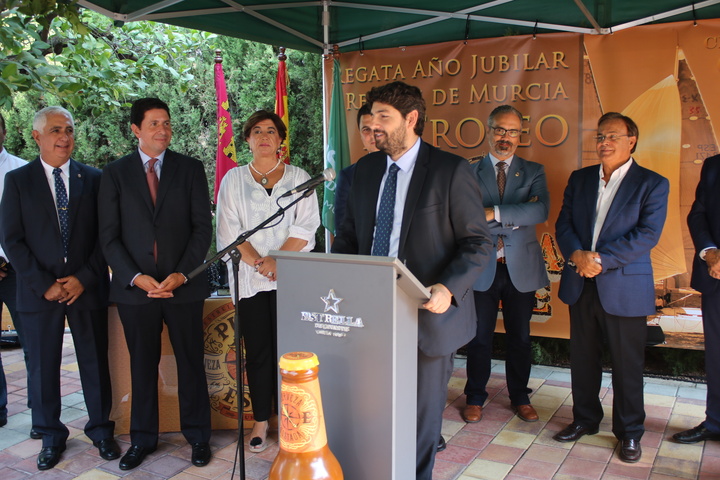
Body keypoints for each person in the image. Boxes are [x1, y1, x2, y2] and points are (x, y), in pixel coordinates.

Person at [332, 81, 492, 480]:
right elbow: (350, 236)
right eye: (371, 118)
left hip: (427, 312)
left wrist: (448, 288)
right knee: (371, 406)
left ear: (412, 119)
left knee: (421, 416)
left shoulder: (449, 170)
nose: (375, 126)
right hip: (369, 312)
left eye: (384, 117)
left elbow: (477, 243)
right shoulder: (364, 171)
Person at [98, 98, 213, 470]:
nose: (163, 130)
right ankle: (142, 440)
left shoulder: (190, 169)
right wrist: (135, 276)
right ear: (136, 129)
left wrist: (182, 274)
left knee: (191, 363)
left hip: (183, 287)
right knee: (142, 366)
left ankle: (198, 435)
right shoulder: (114, 173)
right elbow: (109, 236)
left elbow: (202, 229)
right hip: (137, 290)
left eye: (166, 122)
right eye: (154, 124)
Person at [0, 106, 117, 470]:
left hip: (87, 289)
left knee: (95, 364)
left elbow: (106, 238)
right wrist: (44, 284)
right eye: (54, 130)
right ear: (37, 136)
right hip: (39, 293)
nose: (63, 137)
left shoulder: (94, 179)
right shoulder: (18, 181)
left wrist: (84, 277)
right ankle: (50, 436)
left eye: (68, 129)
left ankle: (101, 430)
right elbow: (12, 239)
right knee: (42, 368)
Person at [554, 112, 669, 463]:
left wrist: (598, 260)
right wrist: (577, 255)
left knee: (627, 365)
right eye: (600, 136)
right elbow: (564, 223)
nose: (604, 142)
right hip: (581, 283)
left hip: (623, 286)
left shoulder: (652, 183)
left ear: (631, 140)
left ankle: (630, 432)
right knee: (583, 360)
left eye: (613, 136)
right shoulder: (580, 178)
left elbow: (646, 235)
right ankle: (585, 419)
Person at [216, 110, 320, 453]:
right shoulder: (233, 180)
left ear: (280, 140)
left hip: (291, 280)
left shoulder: (299, 177)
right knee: (259, 354)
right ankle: (261, 420)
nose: (264, 136)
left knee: (292, 354)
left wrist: (278, 260)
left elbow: (306, 227)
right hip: (251, 281)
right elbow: (229, 229)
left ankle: (294, 419)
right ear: (247, 139)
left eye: (271, 131)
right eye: (256, 131)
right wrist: (261, 264)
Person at [462, 105, 549, 425]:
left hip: (520, 268)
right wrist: (515, 214)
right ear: (488, 131)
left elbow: (540, 213)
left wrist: (494, 213)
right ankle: (474, 396)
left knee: (520, 338)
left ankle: (520, 396)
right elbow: (466, 217)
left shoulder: (534, 171)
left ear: (520, 135)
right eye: (499, 130)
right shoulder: (468, 171)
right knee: (479, 336)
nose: (505, 137)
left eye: (512, 131)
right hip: (480, 266)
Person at [674, 154, 720, 444]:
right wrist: (710, 251)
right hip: (716, 274)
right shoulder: (714, 165)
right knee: (716, 356)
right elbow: (698, 213)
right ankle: (715, 421)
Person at [0, 112, 27, 429]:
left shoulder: (21, 170)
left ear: (5, 131)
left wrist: (7, 259)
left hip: (17, 270)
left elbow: (26, 227)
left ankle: (40, 410)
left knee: (32, 343)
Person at [334, 103, 378, 232]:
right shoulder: (349, 176)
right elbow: (343, 230)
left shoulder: (407, 169)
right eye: (366, 130)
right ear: (360, 133)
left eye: (377, 128)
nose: (373, 135)